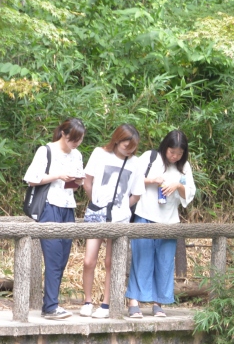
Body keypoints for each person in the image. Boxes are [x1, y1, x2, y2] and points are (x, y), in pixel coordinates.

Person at [128, 129, 196, 318]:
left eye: (179, 154)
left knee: (165, 263)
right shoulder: (150, 158)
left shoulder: (184, 167)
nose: (175, 156)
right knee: (142, 259)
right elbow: (132, 180)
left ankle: (158, 303)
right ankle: (134, 301)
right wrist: (152, 181)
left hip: (169, 221)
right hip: (144, 215)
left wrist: (178, 186)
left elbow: (189, 193)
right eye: (172, 152)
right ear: (165, 147)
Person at [23, 119, 86, 320]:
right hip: (49, 206)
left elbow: (76, 184)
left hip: (68, 207)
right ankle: (50, 306)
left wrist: (77, 181)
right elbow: (31, 178)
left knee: (63, 257)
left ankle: (51, 304)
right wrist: (57, 175)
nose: (75, 144)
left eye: (79, 140)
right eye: (73, 139)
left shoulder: (77, 155)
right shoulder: (46, 151)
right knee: (52, 256)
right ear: (63, 134)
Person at [79, 124, 143, 318]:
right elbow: (87, 182)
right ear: (117, 139)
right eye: (126, 144)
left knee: (110, 262)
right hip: (96, 212)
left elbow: (136, 195)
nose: (129, 149)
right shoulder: (100, 154)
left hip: (120, 218)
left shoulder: (136, 163)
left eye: (132, 146)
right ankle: (87, 301)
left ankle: (106, 304)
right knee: (89, 260)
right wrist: (96, 201)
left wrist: (122, 208)